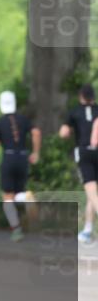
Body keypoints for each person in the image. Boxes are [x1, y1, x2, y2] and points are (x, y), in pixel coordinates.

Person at [0, 90, 41, 242]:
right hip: (23, 158)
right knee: (18, 192)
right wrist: (35, 152)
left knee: (7, 196)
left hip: (8, 158)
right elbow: (36, 133)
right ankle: (26, 197)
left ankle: (16, 230)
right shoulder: (24, 120)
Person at [59, 83, 97, 244]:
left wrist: (72, 130)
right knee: (92, 195)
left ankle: (88, 229)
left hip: (84, 153)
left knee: (92, 193)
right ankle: (88, 229)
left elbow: (63, 133)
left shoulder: (74, 112)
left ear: (81, 96)